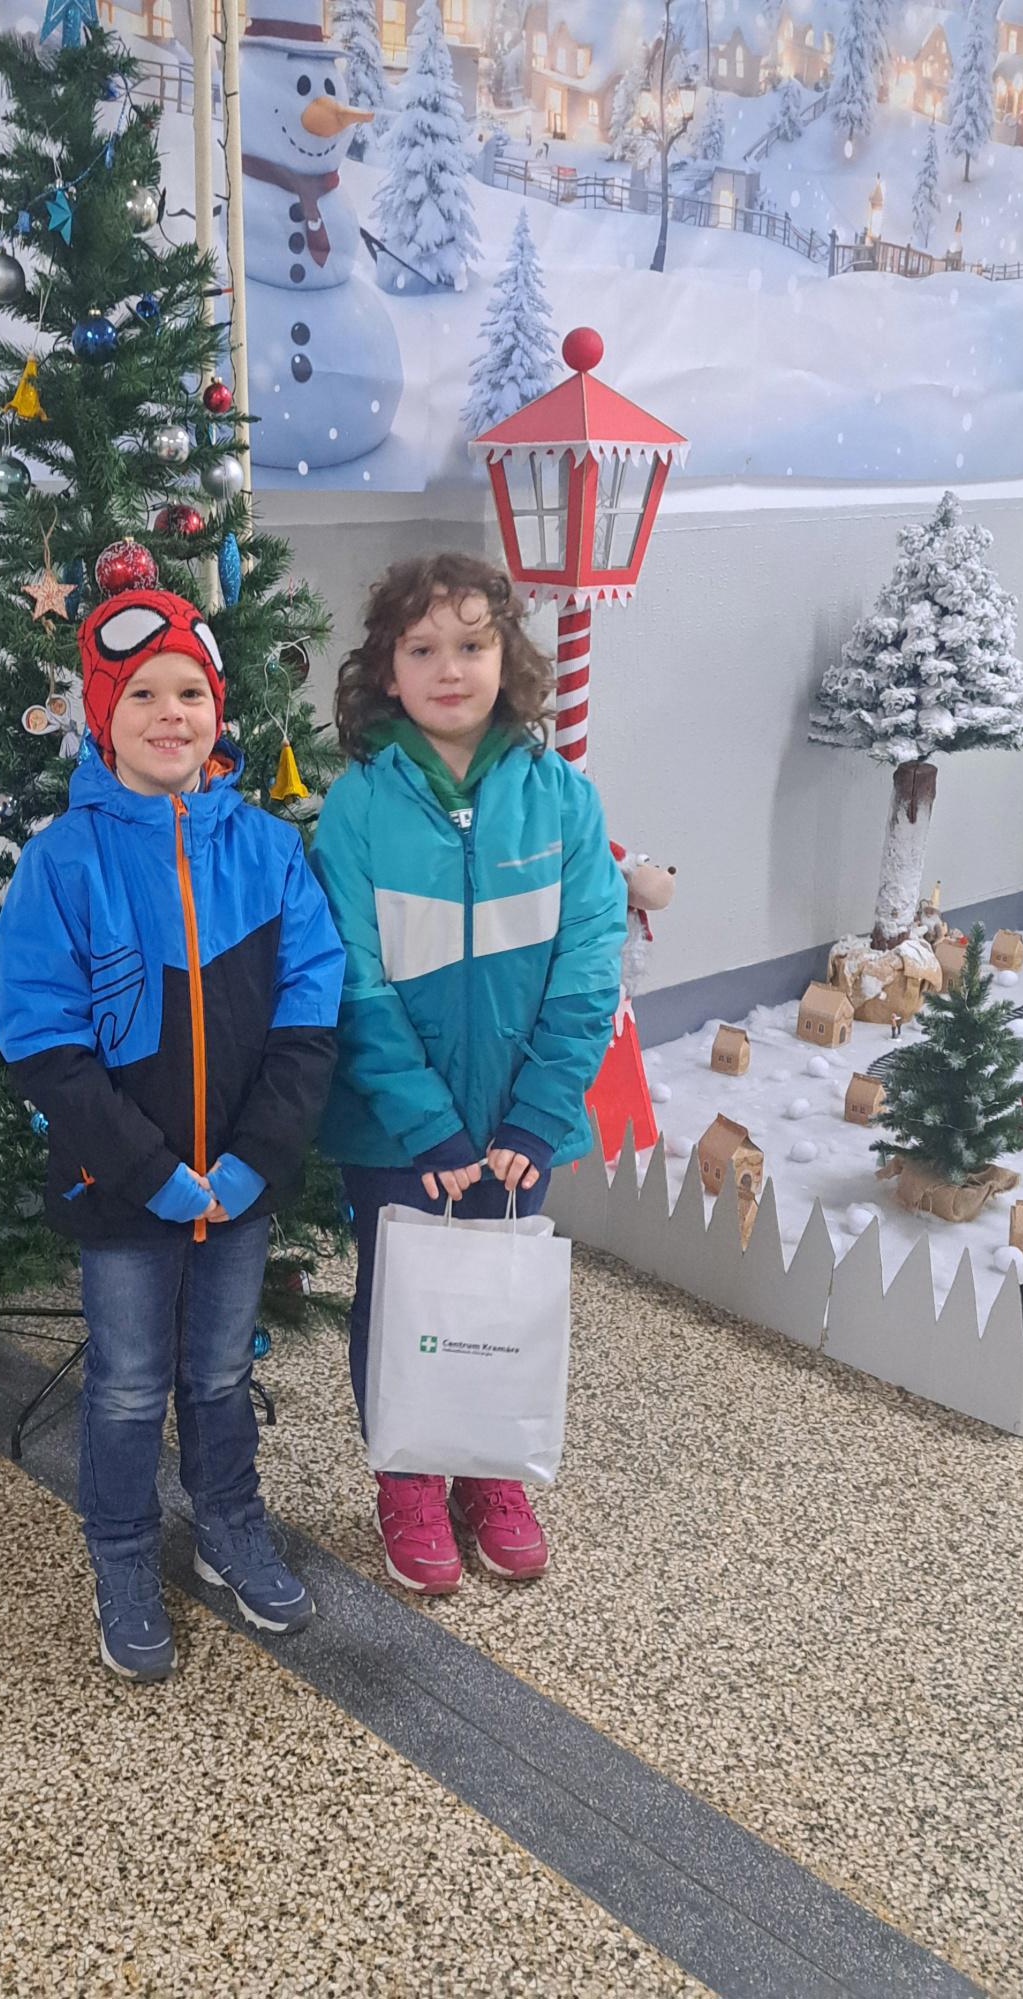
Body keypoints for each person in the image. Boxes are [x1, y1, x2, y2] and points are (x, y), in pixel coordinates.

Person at [0, 582, 345, 1683]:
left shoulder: (269, 852)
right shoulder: (63, 862)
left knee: (221, 1373)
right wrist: (148, 1171)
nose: (169, 713)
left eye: (190, 691)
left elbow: (308, 1010)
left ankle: (228, 1523)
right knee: (130, 1383)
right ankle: (122, 1552)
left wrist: (252, 1162)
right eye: (141, 693)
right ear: (103, 715)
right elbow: (41, 1036)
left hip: (237, 1187)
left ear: (216, 709)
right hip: (123, 1191)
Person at [309, 552, 625, 1593]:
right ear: (385, 670)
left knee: (496, 1294)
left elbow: (588, 970)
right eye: (423, 648)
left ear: (507, 657)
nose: (450, 668)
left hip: (516, 1126)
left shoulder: (563, 801)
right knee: (402, 1298)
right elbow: (352, 979)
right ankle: (406, 1473)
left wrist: (535, 1116)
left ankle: (490, 1471)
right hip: (397, 1128)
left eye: (473, 644)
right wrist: (425, 1124)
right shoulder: (356, 809)